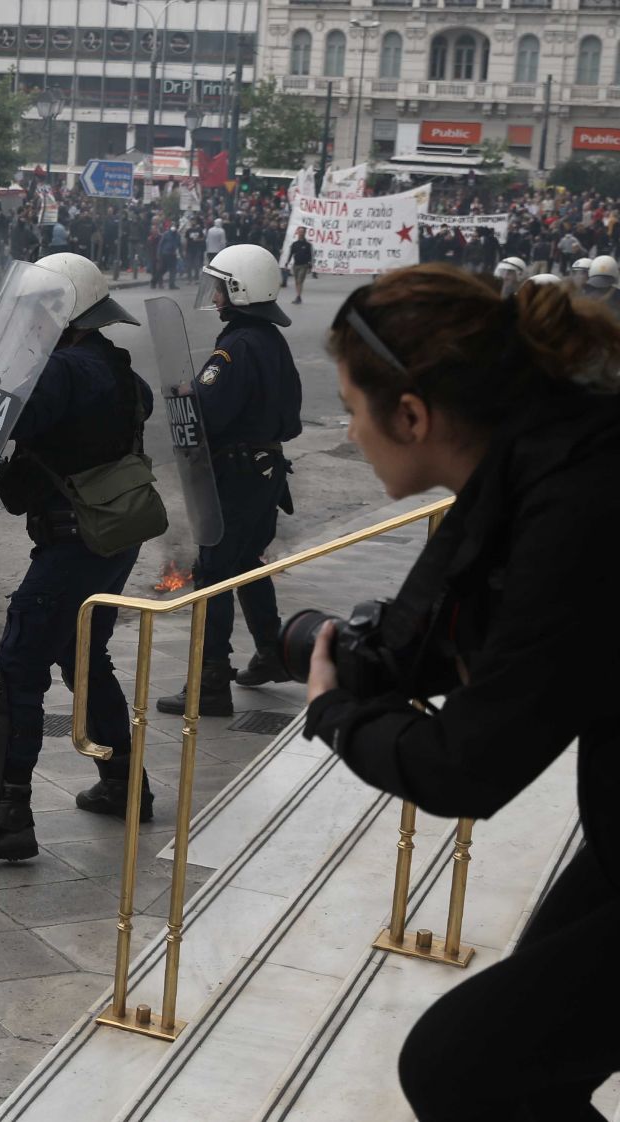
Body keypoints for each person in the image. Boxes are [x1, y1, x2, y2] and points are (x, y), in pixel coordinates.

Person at [306, 264, 620, 1121]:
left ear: (410, 415)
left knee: (463, 1067)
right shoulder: (558, 451)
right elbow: (505, 626)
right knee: (511, 1053)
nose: (349, 428)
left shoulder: (581, 499)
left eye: (351, 405)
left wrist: (334, 714)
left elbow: (468, 767)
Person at [0, 255, 157, 865]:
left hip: (72, 541)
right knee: (84, 655)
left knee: (17, 668)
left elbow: (11, 419)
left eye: (40, 311)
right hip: (113, 531)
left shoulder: (61, 369)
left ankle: (9, 818)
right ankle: (123, 783)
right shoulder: (115, 366)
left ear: (64, 313)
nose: (31, 323)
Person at [157, 243, 302, 717]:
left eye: (220, 287)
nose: (215, 296)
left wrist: (186, 393)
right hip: (265, 472)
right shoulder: (270, 340)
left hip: (238, 477)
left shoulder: (235, 347)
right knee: (248, 565)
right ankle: (271, 653)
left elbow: (208, 412)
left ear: (240, 290)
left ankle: (209, 684)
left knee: (214, 574)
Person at [288, 226, 314, 304]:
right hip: (296, 265)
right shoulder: (295, 244)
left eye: (302, 231)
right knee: (296, 281)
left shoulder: (307, 245)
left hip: (304, 265)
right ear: (298, 233)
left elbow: (310, 255)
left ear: (304, 233)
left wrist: (310, 265)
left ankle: (298, 296)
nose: (301, 233)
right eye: (299, 231)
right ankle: (298, 296)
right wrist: (287, 262)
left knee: (300, 281)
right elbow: (291, 253)